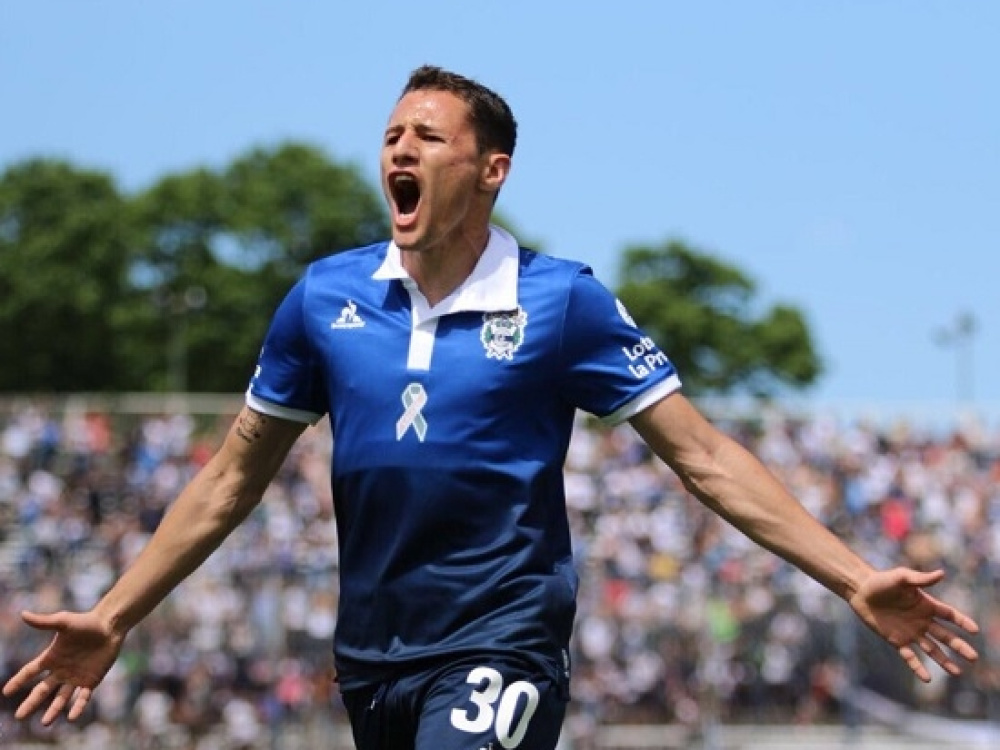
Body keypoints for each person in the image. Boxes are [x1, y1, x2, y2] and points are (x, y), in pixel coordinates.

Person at [3, 65, 980, 750]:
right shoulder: (323, 298)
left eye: (427, 136)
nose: (400, 148)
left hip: (501, 643)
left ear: (490, 170)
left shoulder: (560, 302)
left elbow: (705, 456)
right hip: (372, 657)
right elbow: (228, 481)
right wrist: (115, 615)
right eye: (391, 135)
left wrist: (855, 578)